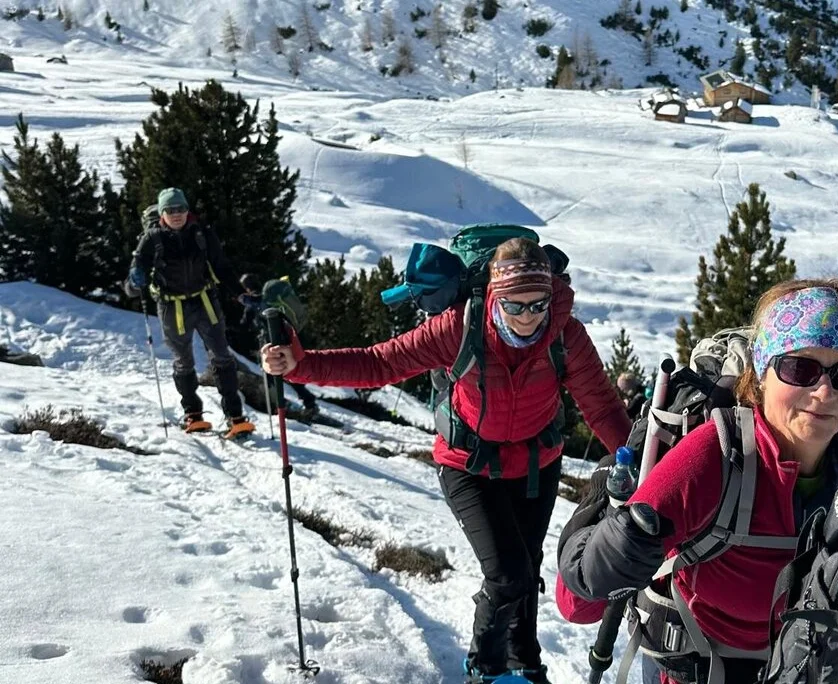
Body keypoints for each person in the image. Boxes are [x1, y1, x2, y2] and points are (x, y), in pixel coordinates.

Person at [261, 237, 632, 683]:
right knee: (508, 574)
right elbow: (380, 363)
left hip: (537, 465)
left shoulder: (566, 335)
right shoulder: (460, 327)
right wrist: (301, 366)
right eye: (514, 306)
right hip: (467, 465)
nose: (528, 317)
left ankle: (525, 662)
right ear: (494, 296)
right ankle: (484, 668)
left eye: (538, 304)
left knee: (525, 566)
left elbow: (603, 408)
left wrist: (644, 467)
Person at [557, 278, 838, 684]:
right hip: (699, 670)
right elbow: (577, 605)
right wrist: (610, 554)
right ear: (763, 371)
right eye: (800, 368)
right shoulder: (716, 455)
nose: (824, 392)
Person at [124, 187, 254, 440]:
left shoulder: (202, 233)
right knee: (184, 360)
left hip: (205, 301)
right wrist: (134, 280)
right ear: (162, 213)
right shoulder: (151, 239)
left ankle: (235, 417)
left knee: (222, 355)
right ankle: (193, 414)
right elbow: (132, 284)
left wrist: (240, 294)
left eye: (181, 209)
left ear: (187, 210)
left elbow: (222, 267)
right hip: (172, 307)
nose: (176, 214)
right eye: (170, 210)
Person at [236, 273, 320, 420]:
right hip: (286, 339)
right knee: (287, 371)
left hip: (271, 342)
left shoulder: (254, 302)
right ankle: (308, 402)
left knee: (271, 373)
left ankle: (283, 405)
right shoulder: (271, 296)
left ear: (246, 287)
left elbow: (244, 325)